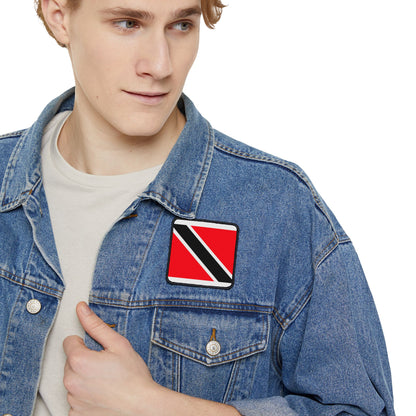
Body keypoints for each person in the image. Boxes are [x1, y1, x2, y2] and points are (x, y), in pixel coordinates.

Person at [0, 0, 395, 415]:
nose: (160, 65)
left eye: (182, 25)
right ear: (59, 16)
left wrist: (157, 408)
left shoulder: (275, 208)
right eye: (128, 23)